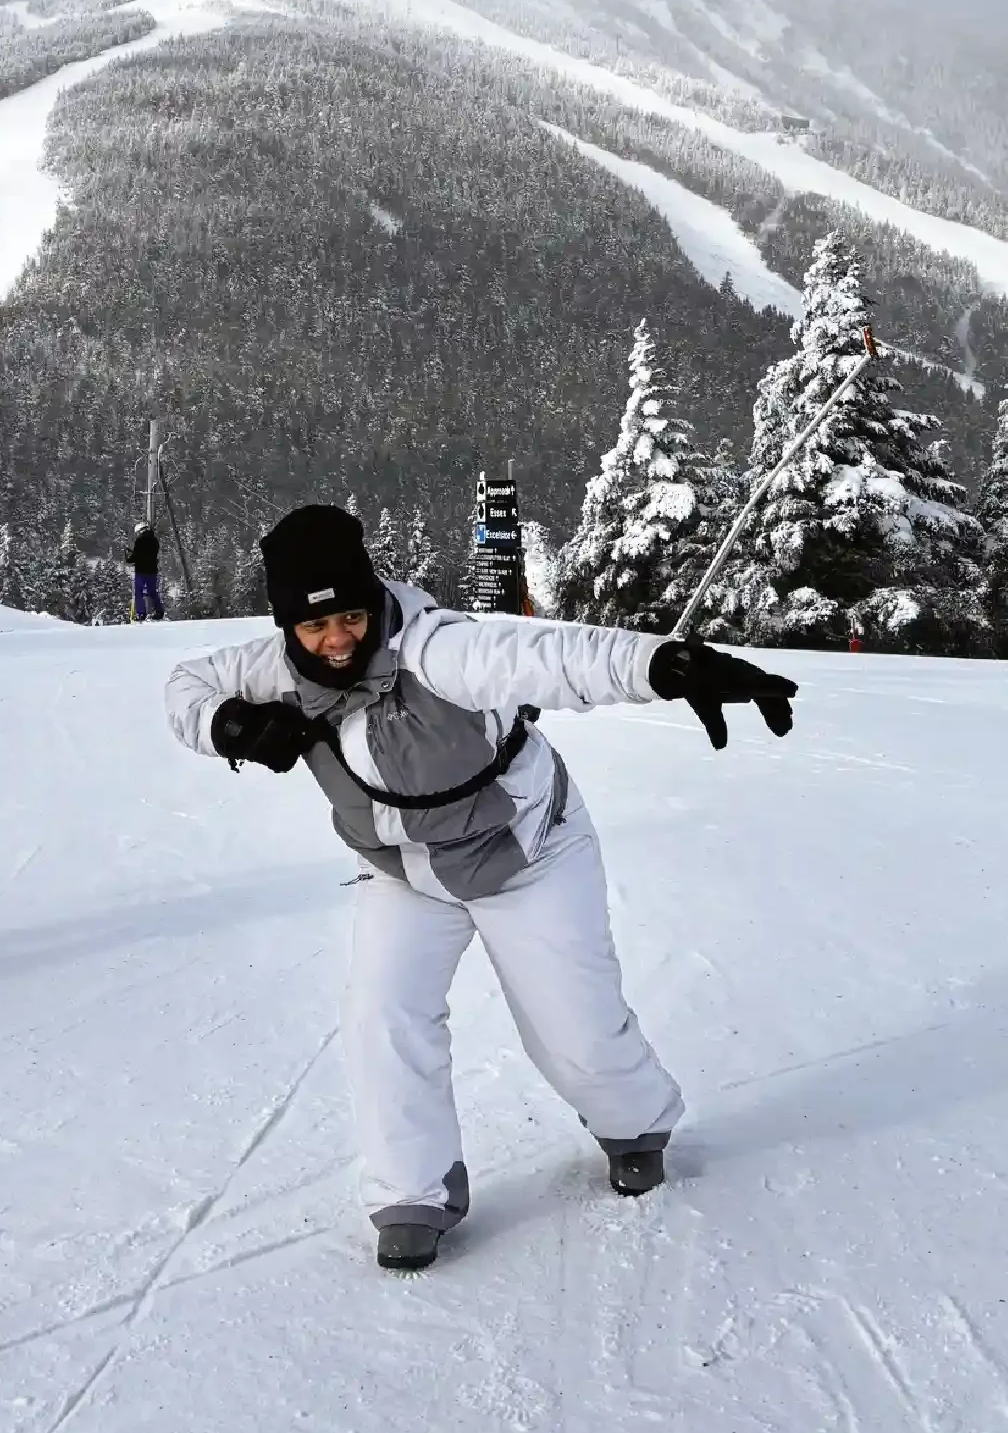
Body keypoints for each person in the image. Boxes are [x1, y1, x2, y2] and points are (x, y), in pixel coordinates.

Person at [165, 503, 797, 1271]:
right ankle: (412, 1192)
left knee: (572, 1024)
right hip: (404, 874)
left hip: (524, 854)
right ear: (287, 626)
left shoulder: (440, 650)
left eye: (353, 618)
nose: (335, 640)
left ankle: (634, 1123)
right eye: (312, 628)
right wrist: (230, 727)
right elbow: (186, 686)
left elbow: (551, 658)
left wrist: (666, 667)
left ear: (373, 602)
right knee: (381, 1019)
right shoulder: (271, 670)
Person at [127, 519, 163, 621]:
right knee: (152, 592)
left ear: (140, 531)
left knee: (139, 592)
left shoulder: (140, 541)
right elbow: (150, 555)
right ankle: (159, 611)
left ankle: (141, 614)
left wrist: (130, 558)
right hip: (152, 570)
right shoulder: (155, 540)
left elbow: (137, 556)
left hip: (141, 571)